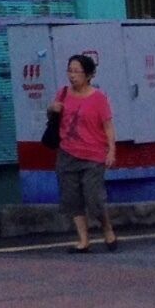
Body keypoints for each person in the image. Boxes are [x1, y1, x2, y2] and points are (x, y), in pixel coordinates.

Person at [55, 52, 118, 252]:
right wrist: (52, 109)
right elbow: (54, 117)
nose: (72, 75)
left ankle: (106, 227)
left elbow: (108, 126)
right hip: (67, 153)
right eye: (70, 71)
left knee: (94, 199)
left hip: (93, 156)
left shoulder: (98, 98)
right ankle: (83, 240)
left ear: (89, 75)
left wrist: (111, 151)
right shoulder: (63, 94)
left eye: (77, 71)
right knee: (72, 199)